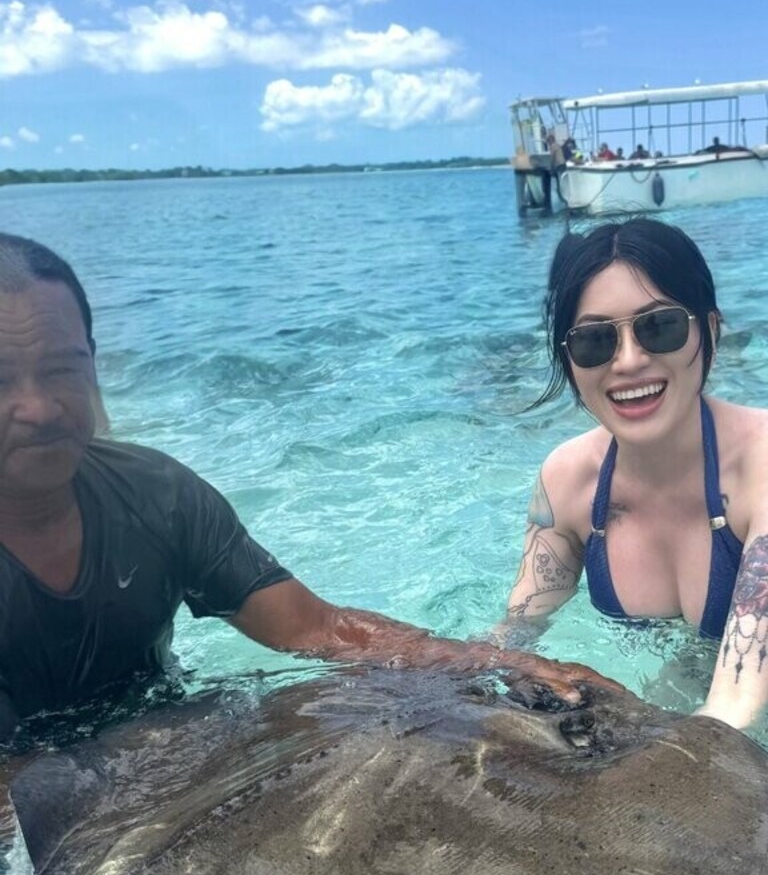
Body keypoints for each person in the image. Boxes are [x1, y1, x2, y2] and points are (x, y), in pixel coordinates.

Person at [0, 233, 605, 752]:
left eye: (61, 369)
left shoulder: (158, 495)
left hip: (152, 751)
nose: (39, 407)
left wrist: (501, 662)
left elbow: (316, 628)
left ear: (93, 366)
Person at [506, 219, 768, 731]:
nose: (629, 361)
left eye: (660, 327)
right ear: (569, 360)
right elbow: (512, 640)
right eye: (594, 341)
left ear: (711, 330)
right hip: (703, 677)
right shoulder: (567, 480)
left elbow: (735, 707)